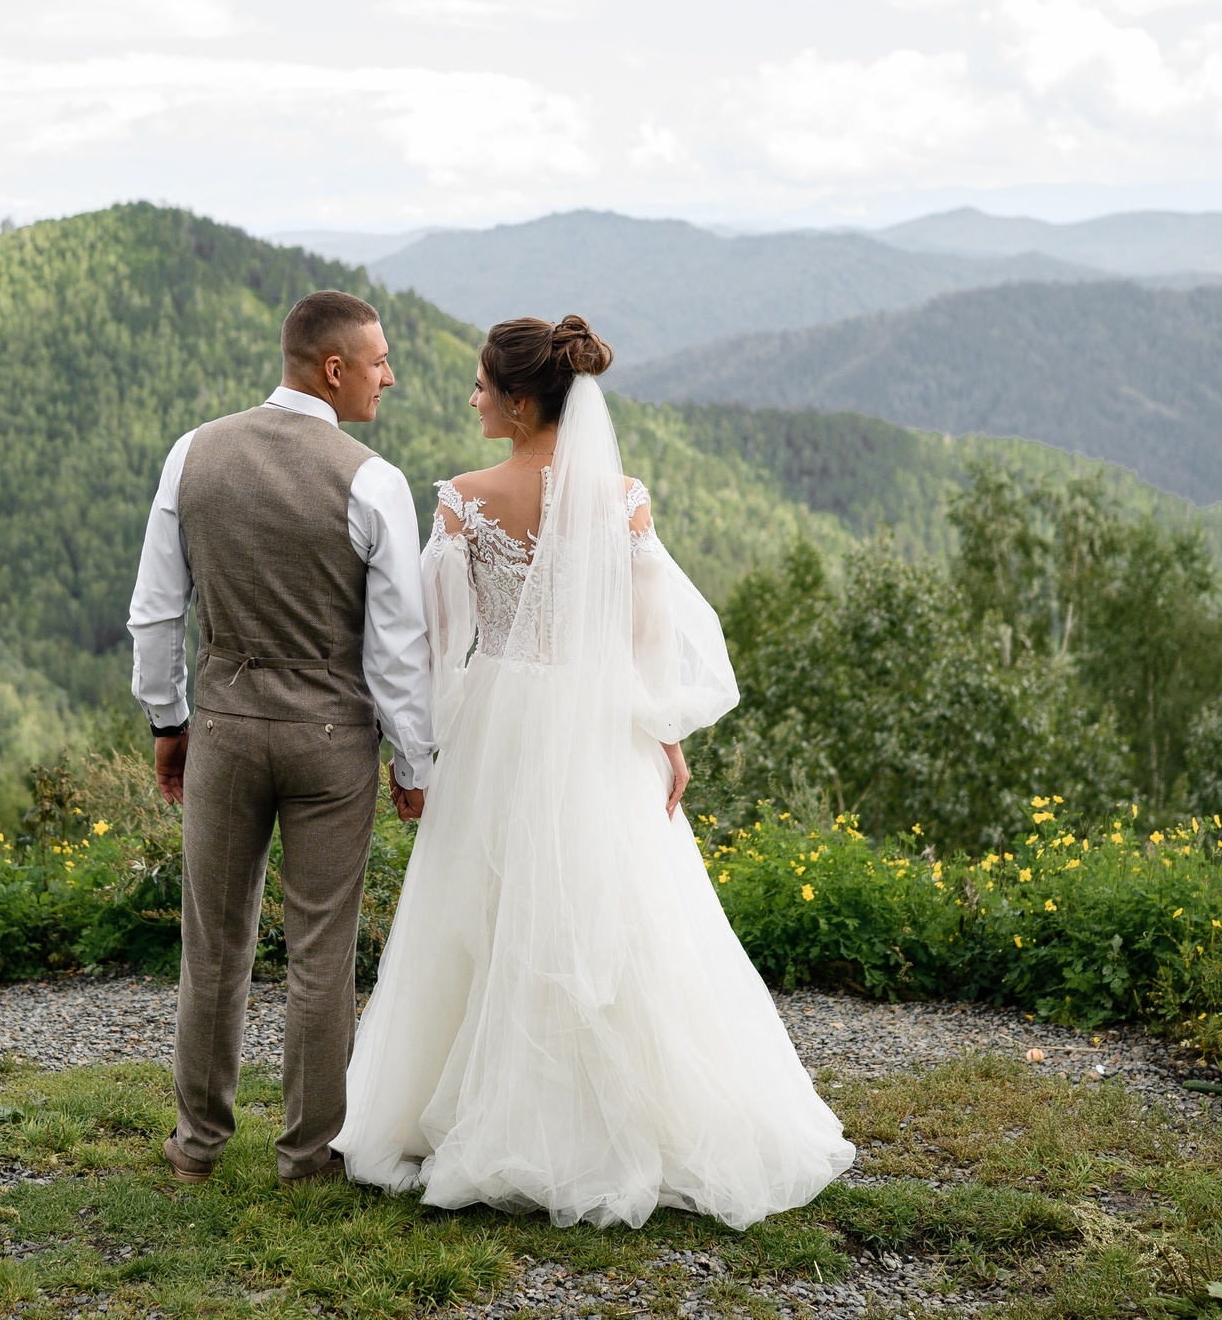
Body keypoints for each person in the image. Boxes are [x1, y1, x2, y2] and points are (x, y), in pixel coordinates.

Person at [332, 314, 856, 1230]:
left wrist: (431, 738)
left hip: (502, 718)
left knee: (487, 908)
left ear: (520, 400)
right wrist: (663, 733)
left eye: (483, 385)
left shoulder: (461, 500)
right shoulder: (622, 500)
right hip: (602, 721)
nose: (473, 397)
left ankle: (480, 1108)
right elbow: (648, 630)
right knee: (614, 908)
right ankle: (626, 1114)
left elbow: (435, 641)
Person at [126, 289, 434, 1187]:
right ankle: (306, 1154)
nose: (390, 375)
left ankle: (196, 1143)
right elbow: (400, 647)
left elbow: (156, 615)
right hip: (332, 741)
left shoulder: (194, 454)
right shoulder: (373, 479)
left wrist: (168, 720)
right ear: (333, 368)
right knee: (320, 953)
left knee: (213, 944)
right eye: (379, 361)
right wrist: (412, 761)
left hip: (222, 726)